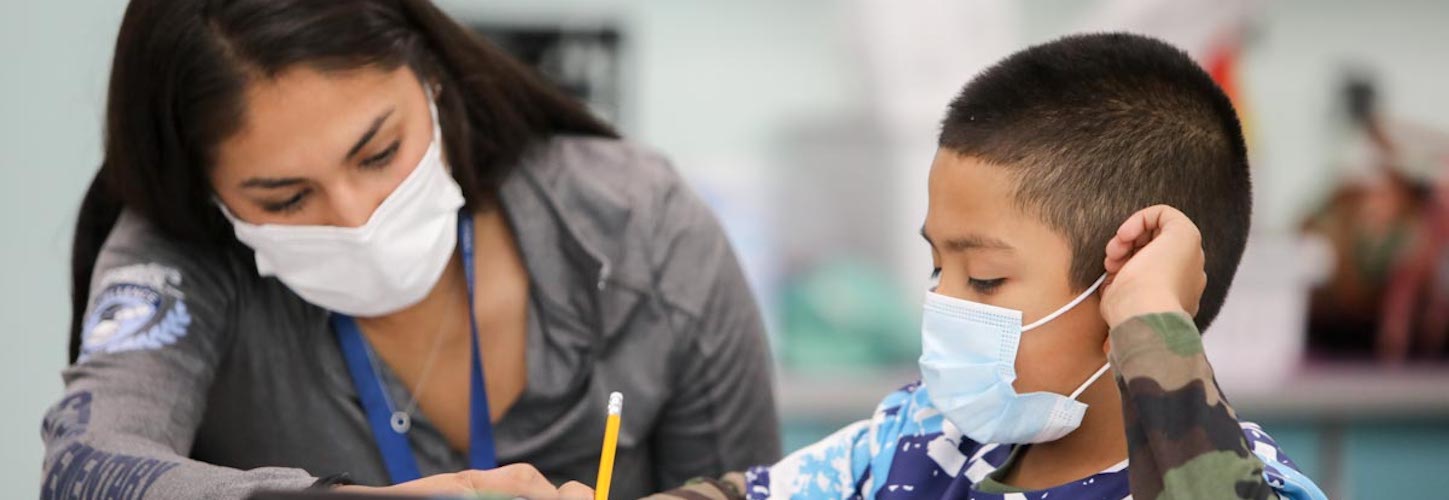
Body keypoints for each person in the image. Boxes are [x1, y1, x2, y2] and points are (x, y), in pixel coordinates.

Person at [41, 1, 779, 498]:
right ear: (206, 192)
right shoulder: (177, 259)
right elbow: (86, 467)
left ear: (431, 76)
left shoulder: (636, 224)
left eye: (380, 153)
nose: (358, 219)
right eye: (286, 199)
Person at [650, 33, 1326, 499]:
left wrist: (1151, 324)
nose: (941, 302)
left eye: (982, 277)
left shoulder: (1238, 476)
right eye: (936, 267)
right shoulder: (923, 442)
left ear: (1124, 284)